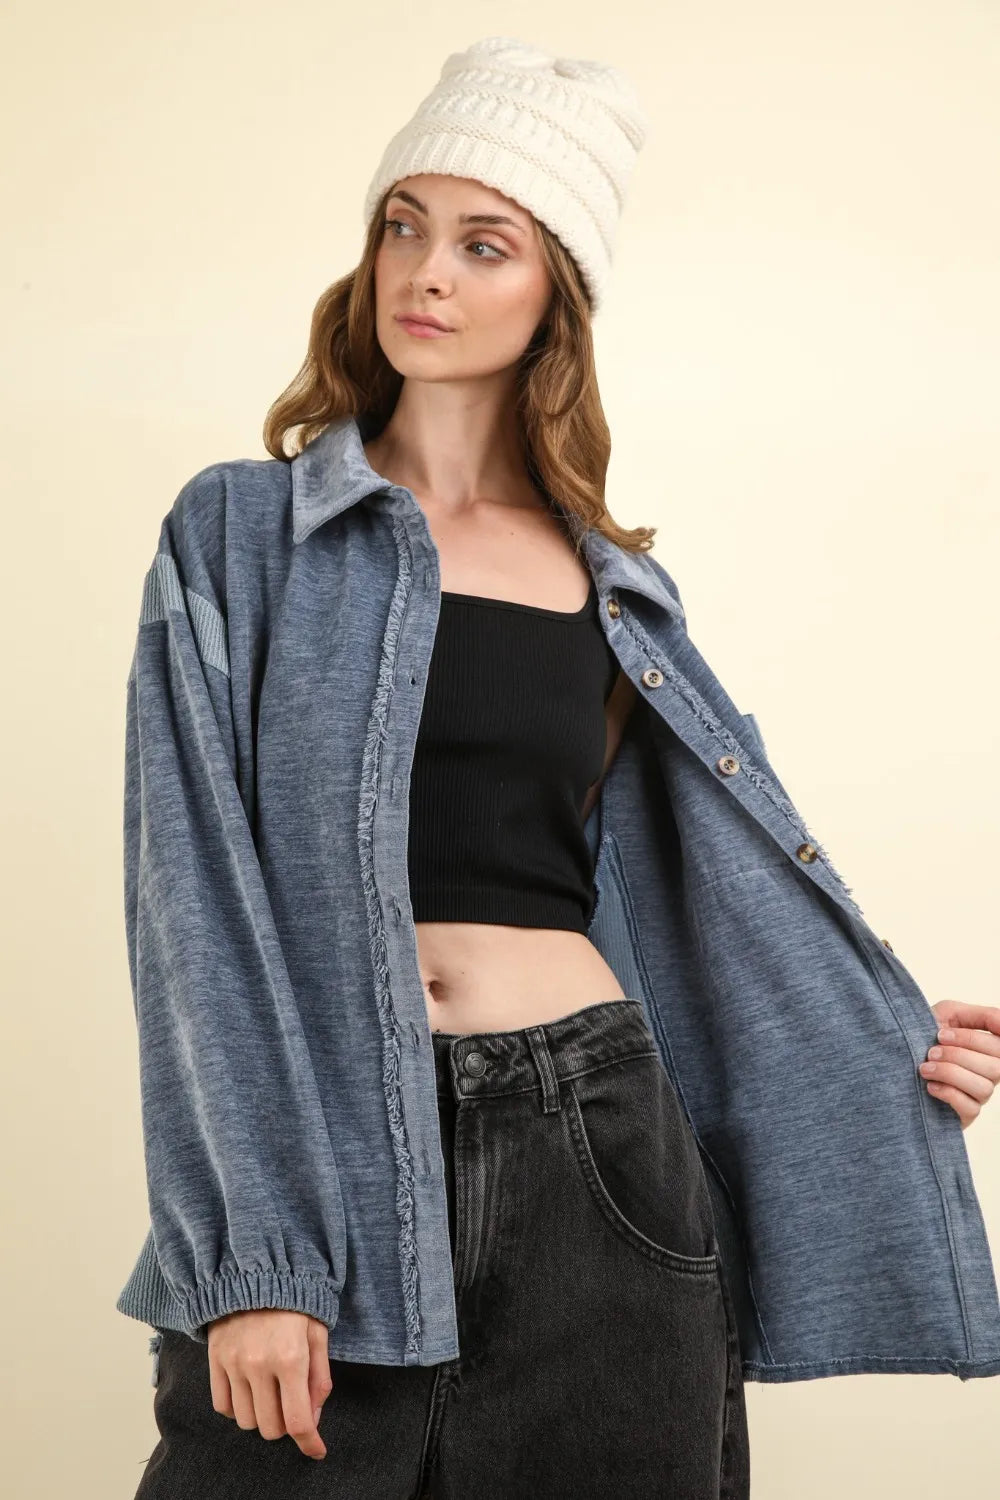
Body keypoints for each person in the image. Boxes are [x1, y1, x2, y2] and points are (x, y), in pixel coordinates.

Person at [118, 36, 1000, 1500]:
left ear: (555, 296)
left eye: (485, 244)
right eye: (404, 227)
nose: (428, 273)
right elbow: (191, 906)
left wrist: (880, 1044)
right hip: (334, 1164)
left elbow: (703, 895)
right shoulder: (241, 535)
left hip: (599, 1151)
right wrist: (255, 1256)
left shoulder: (622, 593)